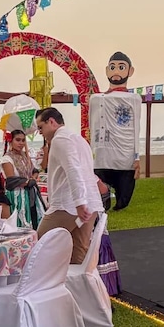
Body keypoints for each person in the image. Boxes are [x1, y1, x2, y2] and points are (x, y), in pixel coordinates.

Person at [36, 107, 104, 264]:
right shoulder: (78, 139)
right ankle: (76, 281)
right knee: (78, 254)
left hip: (68, 205)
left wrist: (79, 202)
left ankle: (44, 280)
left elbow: (73, 170)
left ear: (51, 122)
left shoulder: (60, 139)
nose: (40, 132)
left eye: (41, 127)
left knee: (39, 245)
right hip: (90, 202)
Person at [89, 52, 142, 212]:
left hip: (124, 151)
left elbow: (136, 127)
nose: (116, 71)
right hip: (101, 151)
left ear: (130, 71)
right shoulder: (96, 99)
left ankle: (118, 203)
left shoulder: (134, 98)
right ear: (107, 70)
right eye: (112, 67)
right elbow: (91, 124)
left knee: (124, 195)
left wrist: (137, 156)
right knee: (99, 185)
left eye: (121, 67)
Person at [0, 129, 45, 229]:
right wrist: (28, 182)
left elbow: (34, 171)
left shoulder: (25, 156)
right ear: (11, 141)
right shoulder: (7, 159)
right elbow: (11, 180)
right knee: (19, 223)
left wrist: (33, 179)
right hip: (16, 195)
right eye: (18, 140)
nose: (21, 143)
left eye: (23, 140)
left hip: (29, 193)